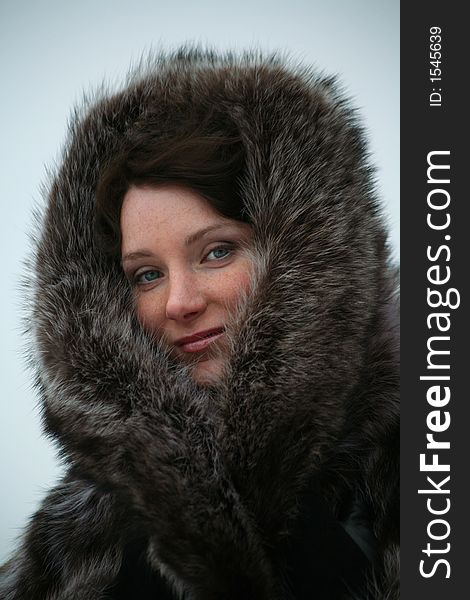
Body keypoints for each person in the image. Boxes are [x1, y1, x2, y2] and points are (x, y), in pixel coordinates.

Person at [0, 48, 399, 599]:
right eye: (145, 275)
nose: (178, 302)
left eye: (216, 252)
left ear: (303, 257)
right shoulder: (79, 534)